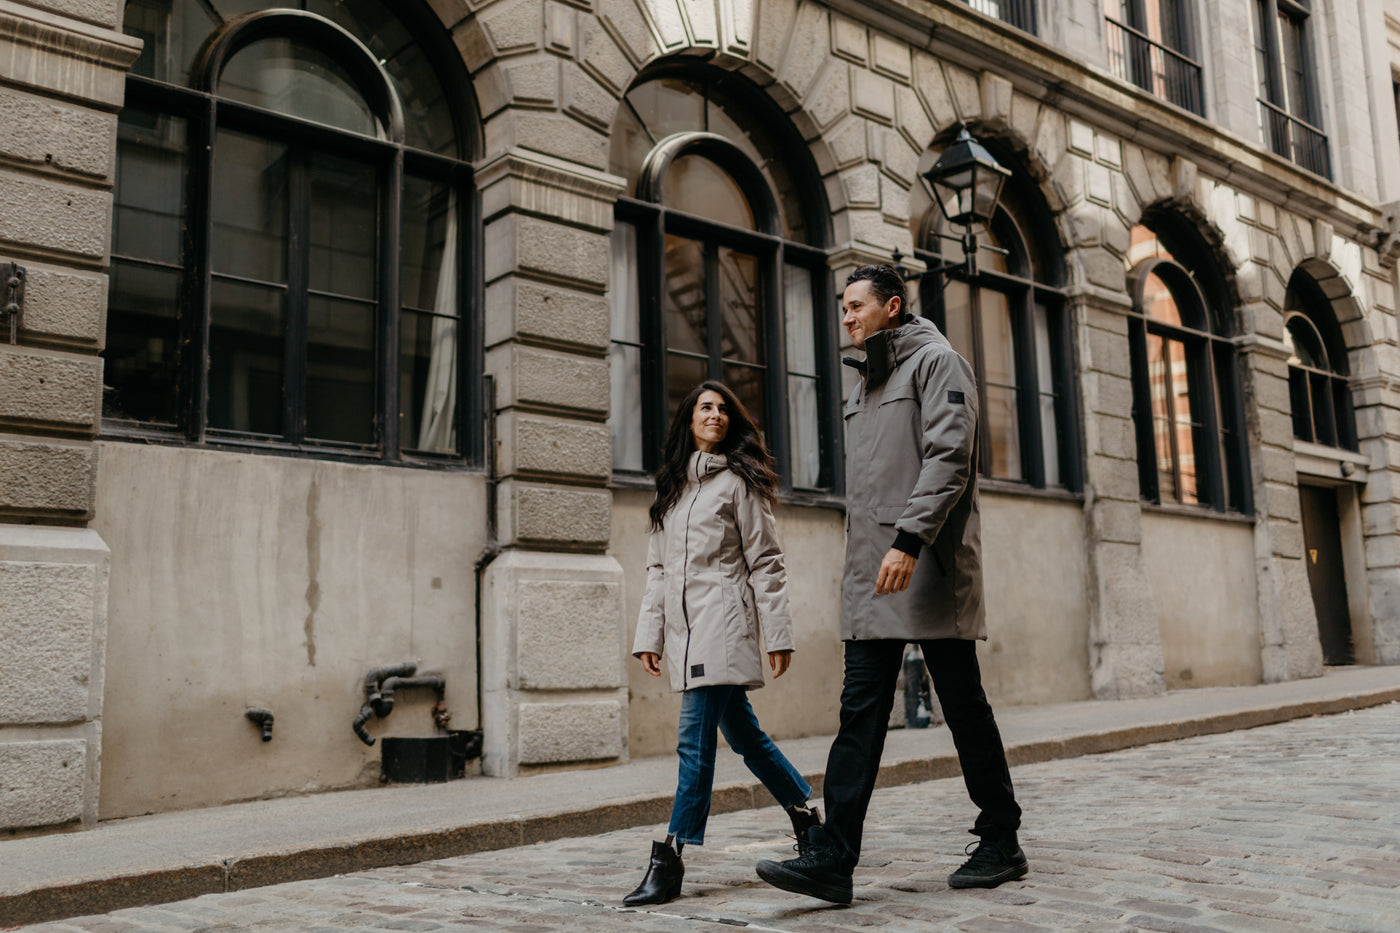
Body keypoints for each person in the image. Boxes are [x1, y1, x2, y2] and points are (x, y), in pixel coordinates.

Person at [755, 264, 1026, 904]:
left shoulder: (938, 363)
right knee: (860, 712)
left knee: (962, 706)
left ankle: (1001, 838)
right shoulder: (866, 384)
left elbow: (949, 456)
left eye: (856, 306)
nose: (846, 317)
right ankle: (834, 858)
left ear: (893, 307)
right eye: (842, 308)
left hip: (926, 564)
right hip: (873, 574)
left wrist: (908, 540)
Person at [624, 380, 821, 907]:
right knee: (747, 738)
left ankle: (670, 858)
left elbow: (767, 562)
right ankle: (809, 819)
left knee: (694, 742)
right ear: (689, 419)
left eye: (722, 409)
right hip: (685, 635)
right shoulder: (671, 489)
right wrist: (650, 634)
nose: (714, 415)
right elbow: (659, 570)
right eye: (705, 408)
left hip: (724, 628)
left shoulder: (739, 484)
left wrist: (777, 633)